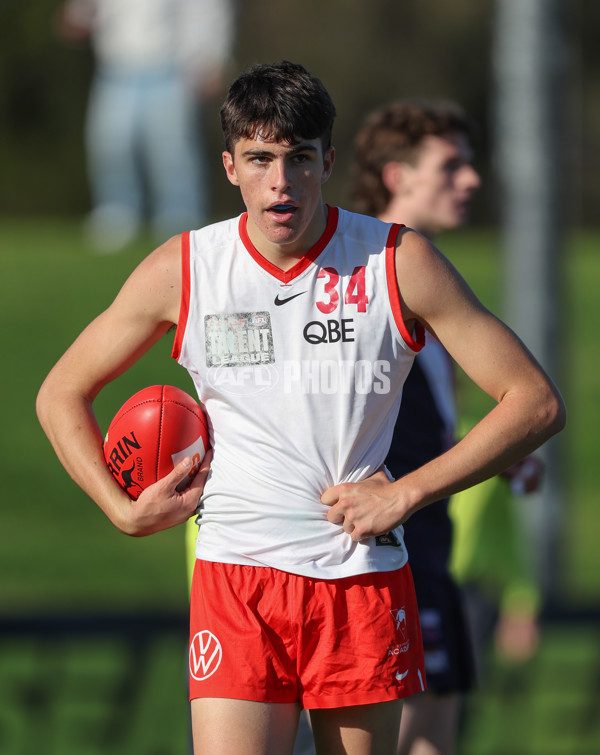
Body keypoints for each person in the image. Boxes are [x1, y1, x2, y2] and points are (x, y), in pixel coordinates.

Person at [36, 61, 565, 755]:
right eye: (259, 159)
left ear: (328, 161)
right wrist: (121, 507)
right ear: (230, 166)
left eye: (299, 159)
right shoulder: (187, 266)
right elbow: (60, 392)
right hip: (236, 573)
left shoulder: (396, 261)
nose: (280, 182)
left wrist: (407, 492)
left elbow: (533, 401)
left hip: (359, 577)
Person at [348, 101, 545, 755]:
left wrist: (485, 451)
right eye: (451, 165)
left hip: (431, 551)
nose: (472, 180)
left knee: (436, 737)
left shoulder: (427, 281)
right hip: (379, 561)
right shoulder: (354, 282)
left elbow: (402, 429)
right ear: (398, 174)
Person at [55, 0, 235, 252]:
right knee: (111, 146)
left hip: (170, 69)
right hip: (115, 68)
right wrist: (77, 16)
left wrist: (212, 57)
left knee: (173, 154)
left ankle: (180, 221)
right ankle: (116, 215)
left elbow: (206, 10)